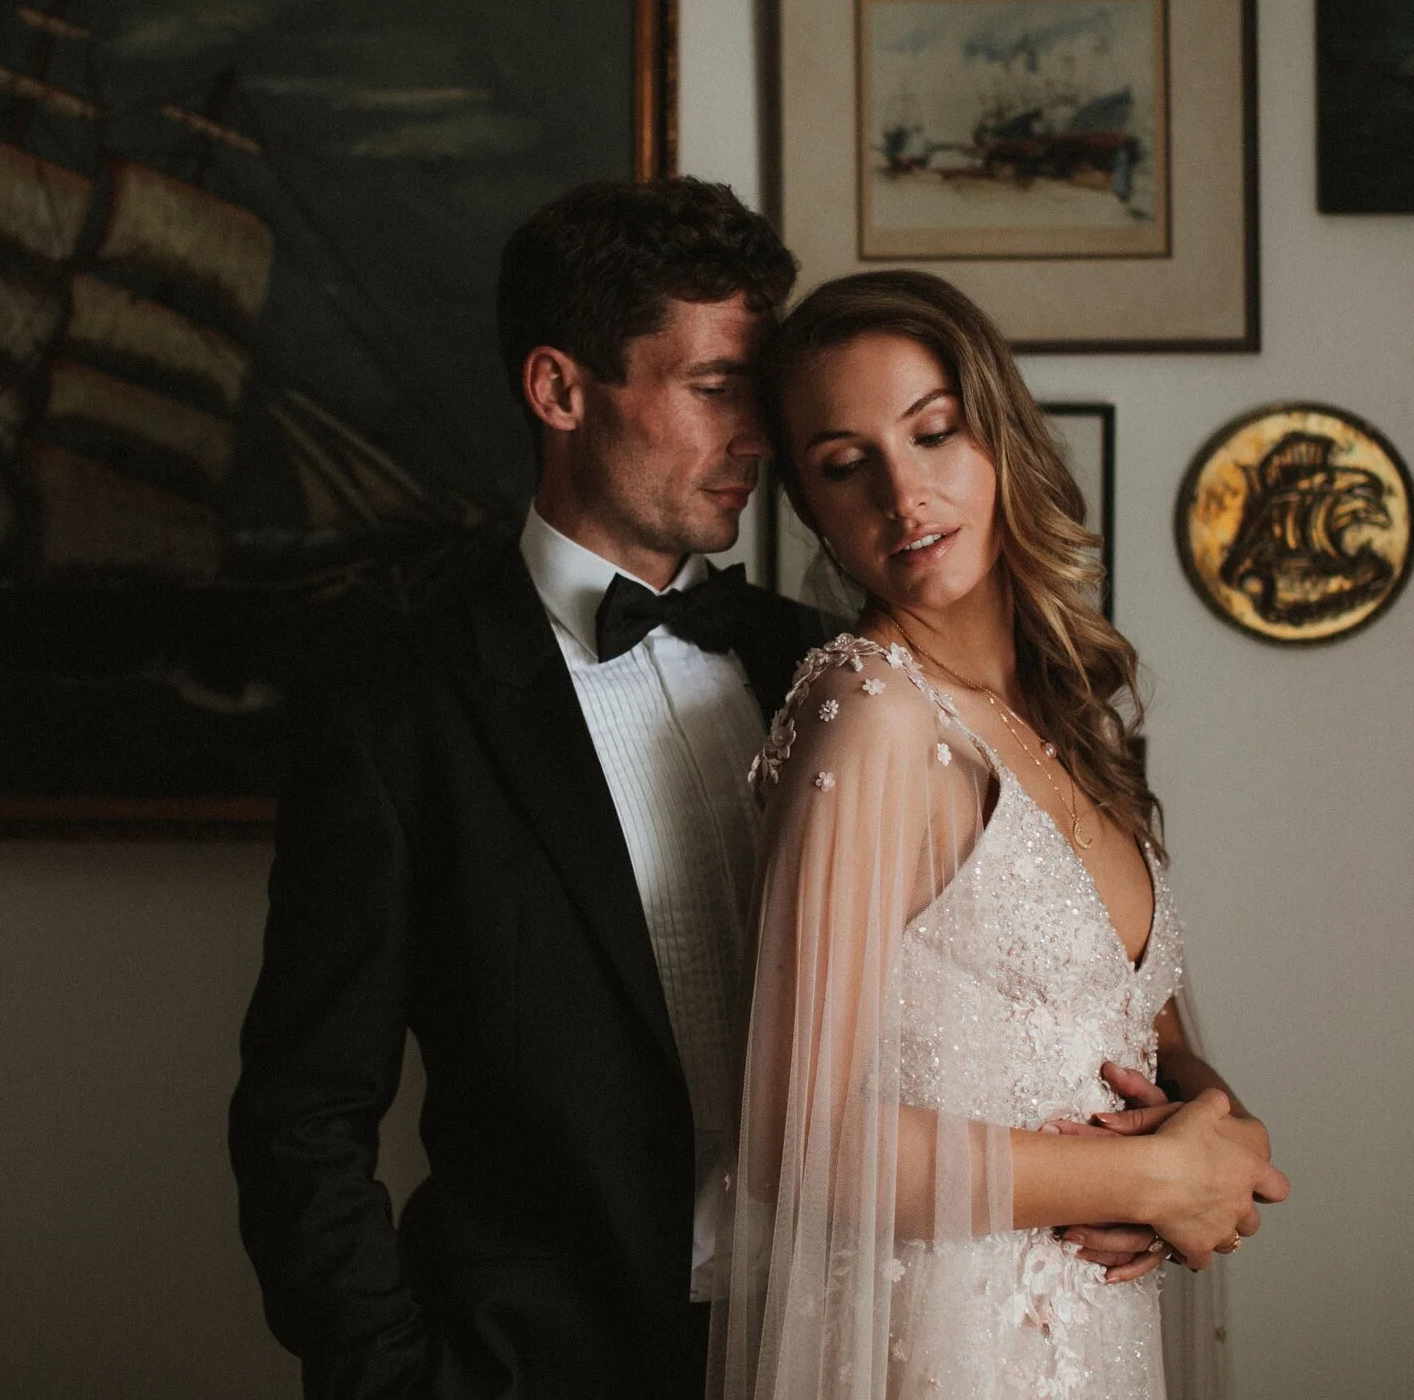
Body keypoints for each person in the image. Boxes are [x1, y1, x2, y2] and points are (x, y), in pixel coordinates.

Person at [229, 177, 831, 1399]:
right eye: (714, 387)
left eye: (758, 392)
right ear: (560, 389)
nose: (756, 435)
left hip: (831, 1342)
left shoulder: (823, 667)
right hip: (538, 1364)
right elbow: (304, 1114)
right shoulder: (393, 707)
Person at [711, 270, 1289, 1400]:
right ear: (812, 509)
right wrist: (1138, 1179)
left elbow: (1146, 1031)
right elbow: (797, 1136)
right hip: (942, 1347)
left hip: (1095, 1347)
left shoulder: (1070, 713)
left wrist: (1218, 1128)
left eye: (932, 432)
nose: (903, 492)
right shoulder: (872, 713)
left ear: (1000, 432)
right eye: (844, 465)